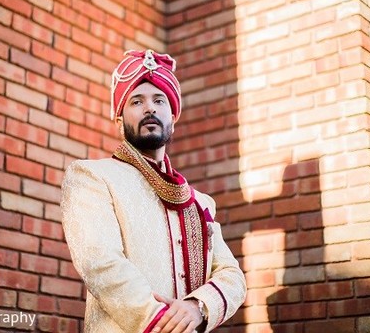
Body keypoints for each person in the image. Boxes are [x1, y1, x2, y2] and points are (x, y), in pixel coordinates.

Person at [61, 49, 246, 333]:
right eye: (137, 101)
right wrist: (165, 324)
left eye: (160, 100)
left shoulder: (199, 202)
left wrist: (197, 306)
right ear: (119, 118)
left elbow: (232, 276)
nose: (150, 108)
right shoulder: (93, 177)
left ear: (173, 116)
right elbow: (101, 262)